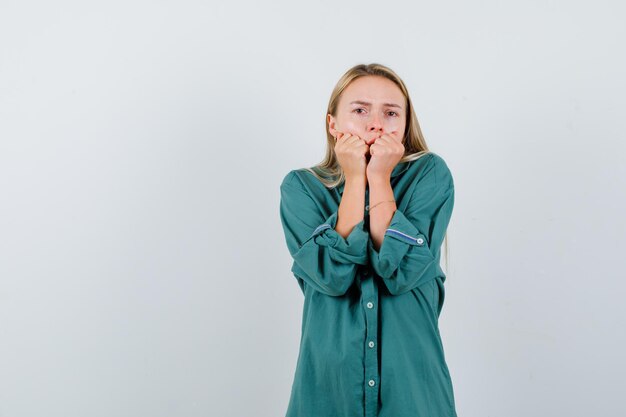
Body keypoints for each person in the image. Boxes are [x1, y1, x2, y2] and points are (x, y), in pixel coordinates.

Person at [279, 63, 457, 417]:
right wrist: (354, 175)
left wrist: (378, 177)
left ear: (405, 127)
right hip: (327, 393)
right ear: (333, 124)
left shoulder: (431, 175)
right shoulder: (301, 188)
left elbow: (398, 269)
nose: (375, 123)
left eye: (391, 113)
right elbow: (332, 277)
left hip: (413, 394)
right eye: (359, 110)